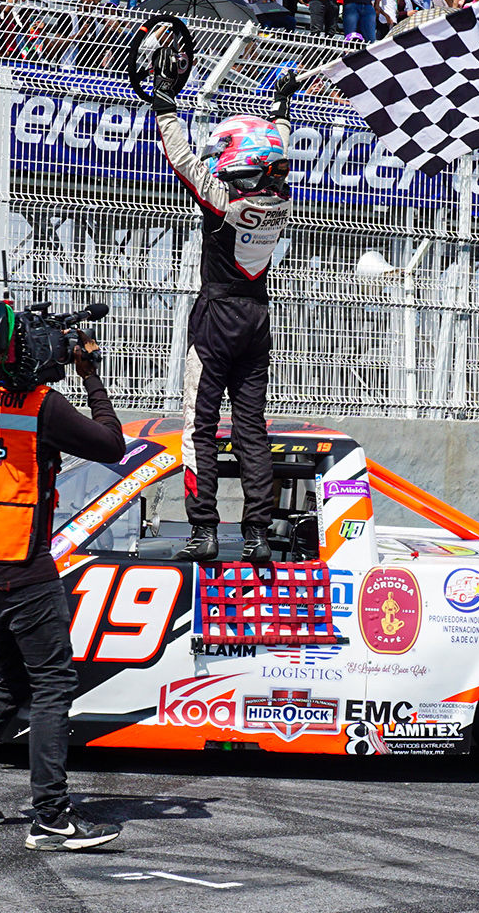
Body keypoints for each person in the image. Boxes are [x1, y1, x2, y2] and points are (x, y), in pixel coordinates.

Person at [0, 300, 125, 850]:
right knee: (53, 683)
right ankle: (51, 816)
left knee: (12, 683)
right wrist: (91, 375)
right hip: (26, 565)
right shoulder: (40, 406)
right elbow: (111, 445)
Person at [141, 39, 299, 564]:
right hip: (259, 318)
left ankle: (203, 531)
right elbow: (272, 155)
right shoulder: (279, 202)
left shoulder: (224, 200)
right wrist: (282, 112)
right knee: (252, 428)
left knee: (199, 427)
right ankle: (256, 534)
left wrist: (165, 104)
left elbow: (183, 160)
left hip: (216, 319)